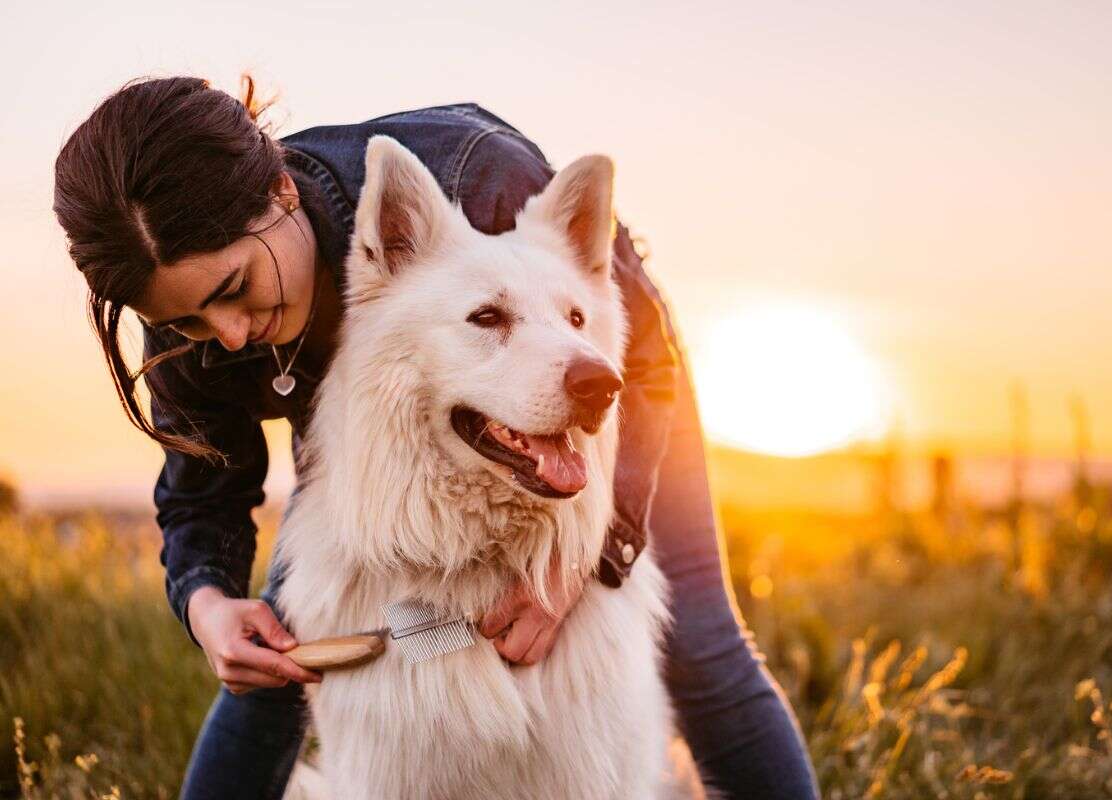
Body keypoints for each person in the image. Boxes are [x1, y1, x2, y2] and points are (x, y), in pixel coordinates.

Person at [53, 75, 820, 800]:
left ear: (281, 191)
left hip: (612, 394)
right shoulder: (190, 324)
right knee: (290, 652)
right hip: (396, 428)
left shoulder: (478, 178)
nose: (226, 336)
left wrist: (593, 554)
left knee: (703, 646)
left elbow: (642, 364)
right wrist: (209, 604)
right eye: (186, 320)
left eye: (235, 289)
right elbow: (203, 494)